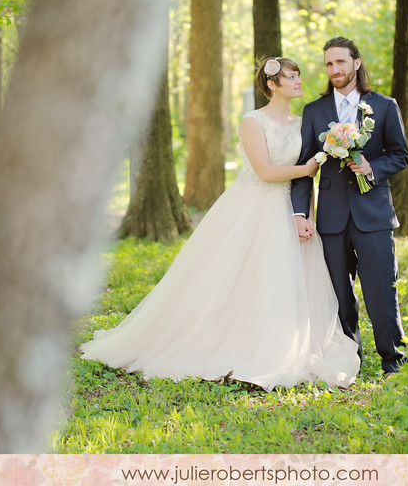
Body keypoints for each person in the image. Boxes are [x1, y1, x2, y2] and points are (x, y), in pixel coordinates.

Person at [80, 57, 360, 390]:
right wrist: (308, 167)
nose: (299, 81)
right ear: (272, 84)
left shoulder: (304, 123)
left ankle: (281, 340)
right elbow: (266, 172)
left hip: (288, 209)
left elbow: (303, 182)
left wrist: (304, 214)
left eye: (299, 76)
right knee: (239, 274)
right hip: (253, 205)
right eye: (292, 76)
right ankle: (228, 339)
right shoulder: (252, 122)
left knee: (284, 278)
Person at [291, 37, 408, 375]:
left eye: (341, 62)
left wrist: (373, 168)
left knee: (381, 290)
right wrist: (300, 213)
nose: (335, 70)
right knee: (338, 295)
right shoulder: (314, 112)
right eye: (329, 64)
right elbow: (303, 168)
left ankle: (393, 359)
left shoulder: (384, 106)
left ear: (356, 63)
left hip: (374, 214)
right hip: (332, 218)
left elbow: (401, 155)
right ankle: (348, 360)